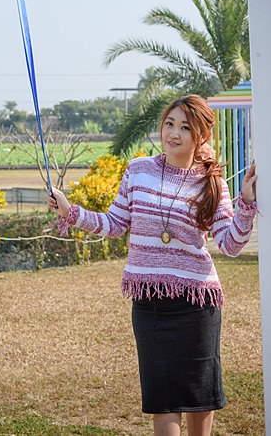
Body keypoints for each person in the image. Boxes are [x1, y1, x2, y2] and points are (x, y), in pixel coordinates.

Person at [48, 94, 259, 436]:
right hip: (149, 305)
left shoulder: (211, 184)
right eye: (169, 124)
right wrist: (70, 212)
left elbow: (230, 244)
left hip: (196, 305)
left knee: (199, 395)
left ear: (200, 135)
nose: (173, 133)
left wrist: (246, 204)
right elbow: (115, 223)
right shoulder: (139, 170)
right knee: (162, 398)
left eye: (184, 127)